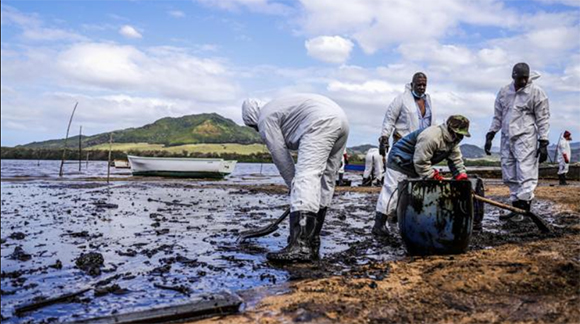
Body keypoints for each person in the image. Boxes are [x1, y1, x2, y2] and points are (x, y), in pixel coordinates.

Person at [241, 94, 349, 263]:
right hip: (341, 120)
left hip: (320, 121)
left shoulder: (265, 117)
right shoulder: (277, 106)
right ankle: (312, 241)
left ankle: (300, 245)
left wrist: (295, 186)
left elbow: (280, 156)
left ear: (253, 118)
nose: (257, 130)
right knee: (325, 181)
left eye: (254, 127)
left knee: (306, 176)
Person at [372, 115, 470, 236]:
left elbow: (456, 161)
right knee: (392, 192)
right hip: (400, 160)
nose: (460, 138)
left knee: (411, 194)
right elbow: (421, 162)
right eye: (458, 134)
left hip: (414, 165)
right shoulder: (431, 137)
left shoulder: (453, 143)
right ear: (450, 129)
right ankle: (379, 225)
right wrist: (432, 175)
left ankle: (397, 221)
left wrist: (461, 176)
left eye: (462, 135)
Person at [484, 63, 550, 220]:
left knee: (525, 171)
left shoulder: (536, 92)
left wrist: (543, 141)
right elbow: (498, 115)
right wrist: (491, 133)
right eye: (520, 79)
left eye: (525, 79)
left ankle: (524, 209)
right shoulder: (504, 92)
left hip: (525, 137)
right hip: (507, 138)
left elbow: (543, 118)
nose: (523, 82)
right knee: (509, 171)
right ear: (513, 77)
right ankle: (516, 209)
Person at [378, 72, 434, 156]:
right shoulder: (402, 99)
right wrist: (384, 137)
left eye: (424, 85)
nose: (422, 88)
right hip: (403, 145)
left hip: (423, 146)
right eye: (419, 85)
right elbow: (389, 119)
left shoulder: (429, 102)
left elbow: (433, 124)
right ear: (412, 85)